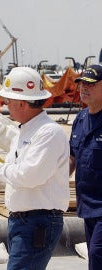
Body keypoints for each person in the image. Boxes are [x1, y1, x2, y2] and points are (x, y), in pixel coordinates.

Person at [0, 66, 70, 270]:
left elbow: (28, 177)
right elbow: (11, 174)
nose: (6, 105)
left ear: (22, 103)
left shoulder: (49, 133)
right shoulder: (24, 132)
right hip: (24, 221)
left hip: (37, 222)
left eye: (9, 101)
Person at [70, 64, 102, 270]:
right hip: (87, 206)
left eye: (90, 84)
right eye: (82, 83)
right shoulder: (80, 119)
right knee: (94, 258)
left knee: (97, 254)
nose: (84, 88)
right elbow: (72, 158)